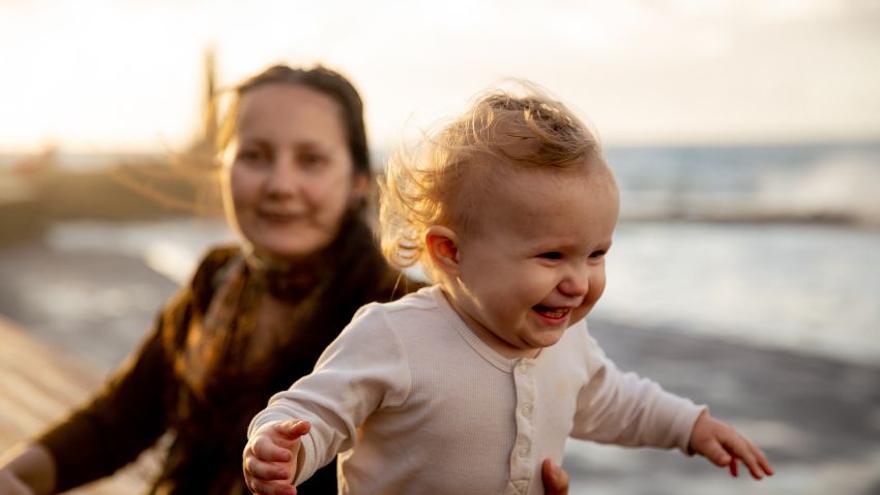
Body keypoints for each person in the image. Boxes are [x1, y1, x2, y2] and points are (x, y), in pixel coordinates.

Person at [0, 64, 571, 495]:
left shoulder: (413, 316)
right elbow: (118, 421)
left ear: (358, 180)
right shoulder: (216, 280)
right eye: (255, 156)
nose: (280, 184)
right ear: (223, 169)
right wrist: (15, 475)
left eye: (310, 160)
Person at [242, 85, 775, 495]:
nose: (578, 281)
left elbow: (614, 401)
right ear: (451, 252)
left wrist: (690, 427)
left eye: (596, 254)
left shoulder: (568, 345)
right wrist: (283, 448)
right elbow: (320, 409)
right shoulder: (396, 336)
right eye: (551, 256)